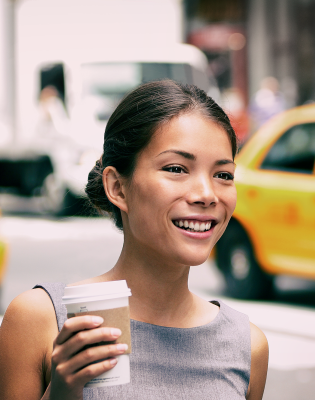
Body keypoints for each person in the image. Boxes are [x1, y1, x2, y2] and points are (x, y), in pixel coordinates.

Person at [0, 80, 269, 400]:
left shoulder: (248, 346)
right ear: (117, 187)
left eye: (223, 174)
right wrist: (61, 392)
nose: (207, 195)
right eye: (176, 168)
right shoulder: (42, 319)